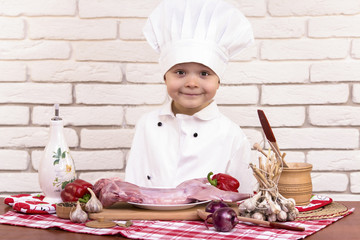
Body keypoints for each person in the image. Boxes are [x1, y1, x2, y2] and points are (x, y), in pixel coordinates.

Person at [125, 0, 256, 194]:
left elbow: (245, 197)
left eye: (204, 74)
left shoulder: (230, 134)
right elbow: (131, 188)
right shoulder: (147, 125)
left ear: (218, 81)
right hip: (150, 221)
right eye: (180, 72)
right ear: (165, 77)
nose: (192, 83)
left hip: (208, 223)